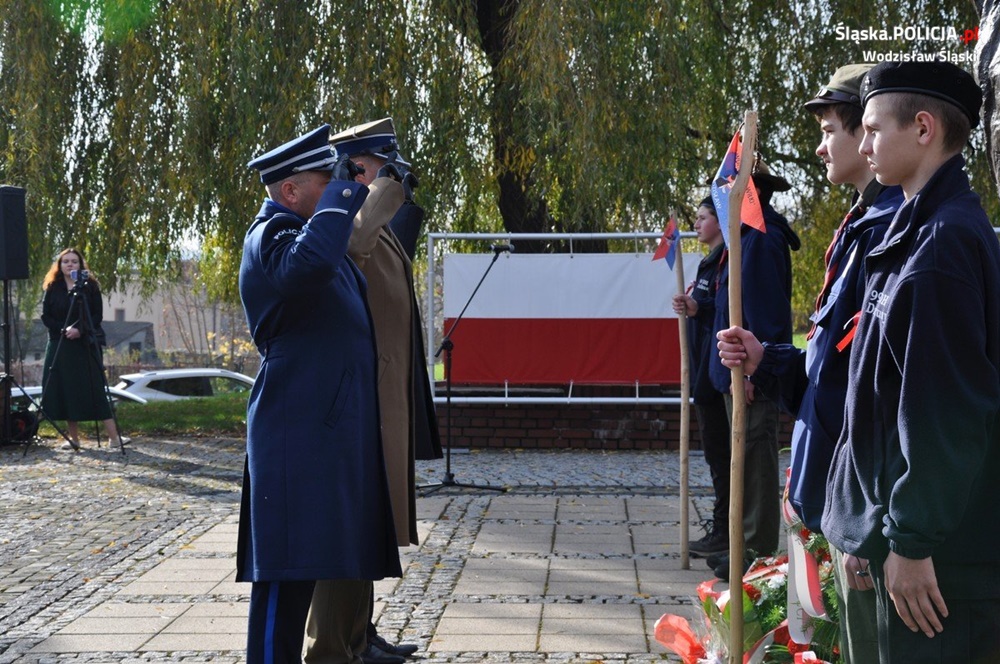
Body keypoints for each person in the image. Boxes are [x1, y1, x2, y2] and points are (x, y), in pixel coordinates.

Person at [716, 63, 902, 662]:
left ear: (868, 131)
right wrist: (766, 359)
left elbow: (883, 396)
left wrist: (867, 519)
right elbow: (832, 368)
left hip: (859, 506)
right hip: (832, 491)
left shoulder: (892, 233)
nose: (820, 148)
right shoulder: (862, 225)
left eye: (829, 131)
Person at [818, 61, 1000, 663]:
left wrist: (912, 540)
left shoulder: (943, 244)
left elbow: (945, 415)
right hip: (907, 543)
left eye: (873, 129)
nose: (864, 145)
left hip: (939, 567)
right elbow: (877, 398)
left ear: (923, 128)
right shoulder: (915, 231)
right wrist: (864, 524)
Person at [239, 124, 401, 664]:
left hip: (321, 430)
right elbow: (305, 267)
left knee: (310, 565)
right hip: (295, 430)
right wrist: (344, 192)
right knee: (285, 579)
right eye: (324, 178)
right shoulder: (272, 234)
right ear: (289, 190)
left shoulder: (310, 235)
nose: (337, 186)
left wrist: (339, 191)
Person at [303, 118, 433, 664]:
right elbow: (353, 244)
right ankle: (331, 648)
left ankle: (358, 637)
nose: (394, 174)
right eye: (385, 164)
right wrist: (378, 190)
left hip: (383, 393)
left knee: (370, 526)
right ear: (359, 167)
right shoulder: (343, 216)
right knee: (350, 528)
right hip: (362, 397)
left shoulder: (372, 216)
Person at [706, 160, 800, 580]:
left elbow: (763, 312)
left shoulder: (761, 239)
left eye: (731, 188)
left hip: (751, 376)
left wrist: (750, 374)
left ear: (751, 192)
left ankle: (757, 555)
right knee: (743, 461)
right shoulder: (744, 236)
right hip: (736, 373)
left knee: (756, 462)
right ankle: (742, 547)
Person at [671, 198, 730, 558]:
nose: (696, 223)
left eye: (703, 217)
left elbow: (722, 313)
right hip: (703, 377)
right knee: (715, 458)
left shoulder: (726, 262)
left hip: (714, 377)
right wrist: (694, 307)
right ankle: (723, 527)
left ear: (720, 222)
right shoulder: (709, 264)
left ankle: (725, 531)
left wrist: (699, 307)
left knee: (721, 458)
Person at [41, 247, 129, 451]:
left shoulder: (90, 286)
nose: (70, 264)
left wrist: (79, 330)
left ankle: (114, 438)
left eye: (74, 261)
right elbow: (46, 316)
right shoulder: (53, 287)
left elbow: (97, 315)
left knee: (95, 387)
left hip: (84, 344)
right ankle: (74, 439)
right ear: (59, 265)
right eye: (65, 261)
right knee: (65, 389)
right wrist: (63, 329)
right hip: (60, 343)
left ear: (81, 265)